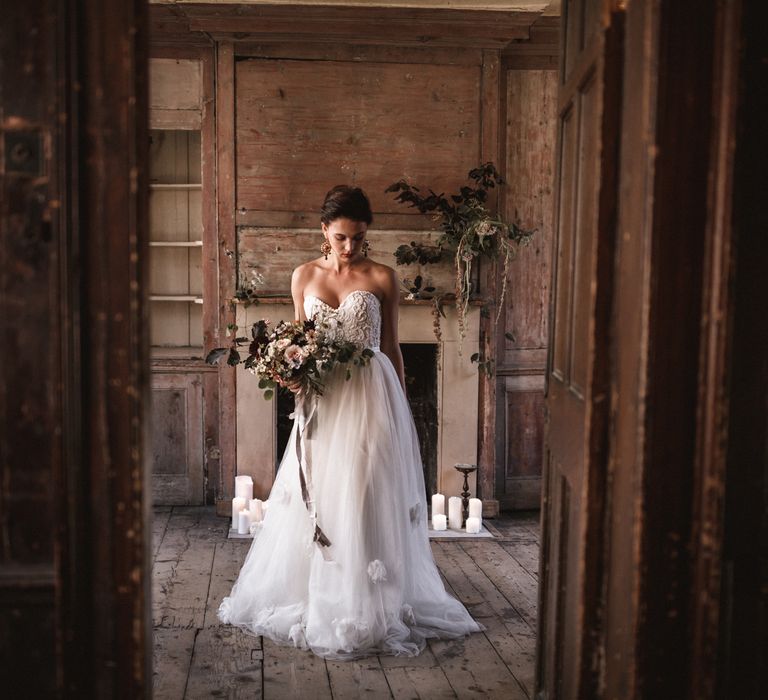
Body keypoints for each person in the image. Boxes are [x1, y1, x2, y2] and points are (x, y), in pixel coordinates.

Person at [218, 185, 484, 659]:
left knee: (365, 490)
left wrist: (401, 408)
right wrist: (289, 375)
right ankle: (323, 591)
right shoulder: (303, 277)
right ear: (324, 230)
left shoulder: (383, 277)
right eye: (341, 237)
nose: (350, 247)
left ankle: (370, 597)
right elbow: (298, 342)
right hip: (324, 398)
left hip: (371, 393)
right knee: (322, 493)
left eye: (359, 238)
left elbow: (395, 347)